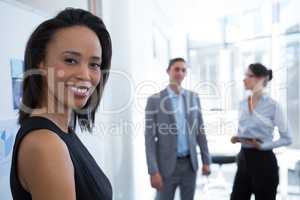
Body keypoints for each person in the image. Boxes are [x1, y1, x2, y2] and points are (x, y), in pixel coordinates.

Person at [10, 8, 112, 200]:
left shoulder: (62, 132)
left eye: (94, 64)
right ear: (41, 61)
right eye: (70, 60)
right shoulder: (46, 145)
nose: (85, 75)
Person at [145, 57, 211, 200]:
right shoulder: (154, 100)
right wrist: (153, 171)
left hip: (190, 165)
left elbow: (200, 131)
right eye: (176, 69)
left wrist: (206, 160)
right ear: (168, 71)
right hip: (166, 166)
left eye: (183, 70)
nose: (180, 73)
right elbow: (149, 139)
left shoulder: (194, 97)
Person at [230, 63, 292, 200]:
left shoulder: (273, 106)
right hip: (244, 160)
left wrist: (263, 146)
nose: (244, 79)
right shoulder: (242, 104)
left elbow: (288, 138)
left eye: (249, 76)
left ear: (261, 79)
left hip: (264, 162)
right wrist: (238, 137)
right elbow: (245, 130)